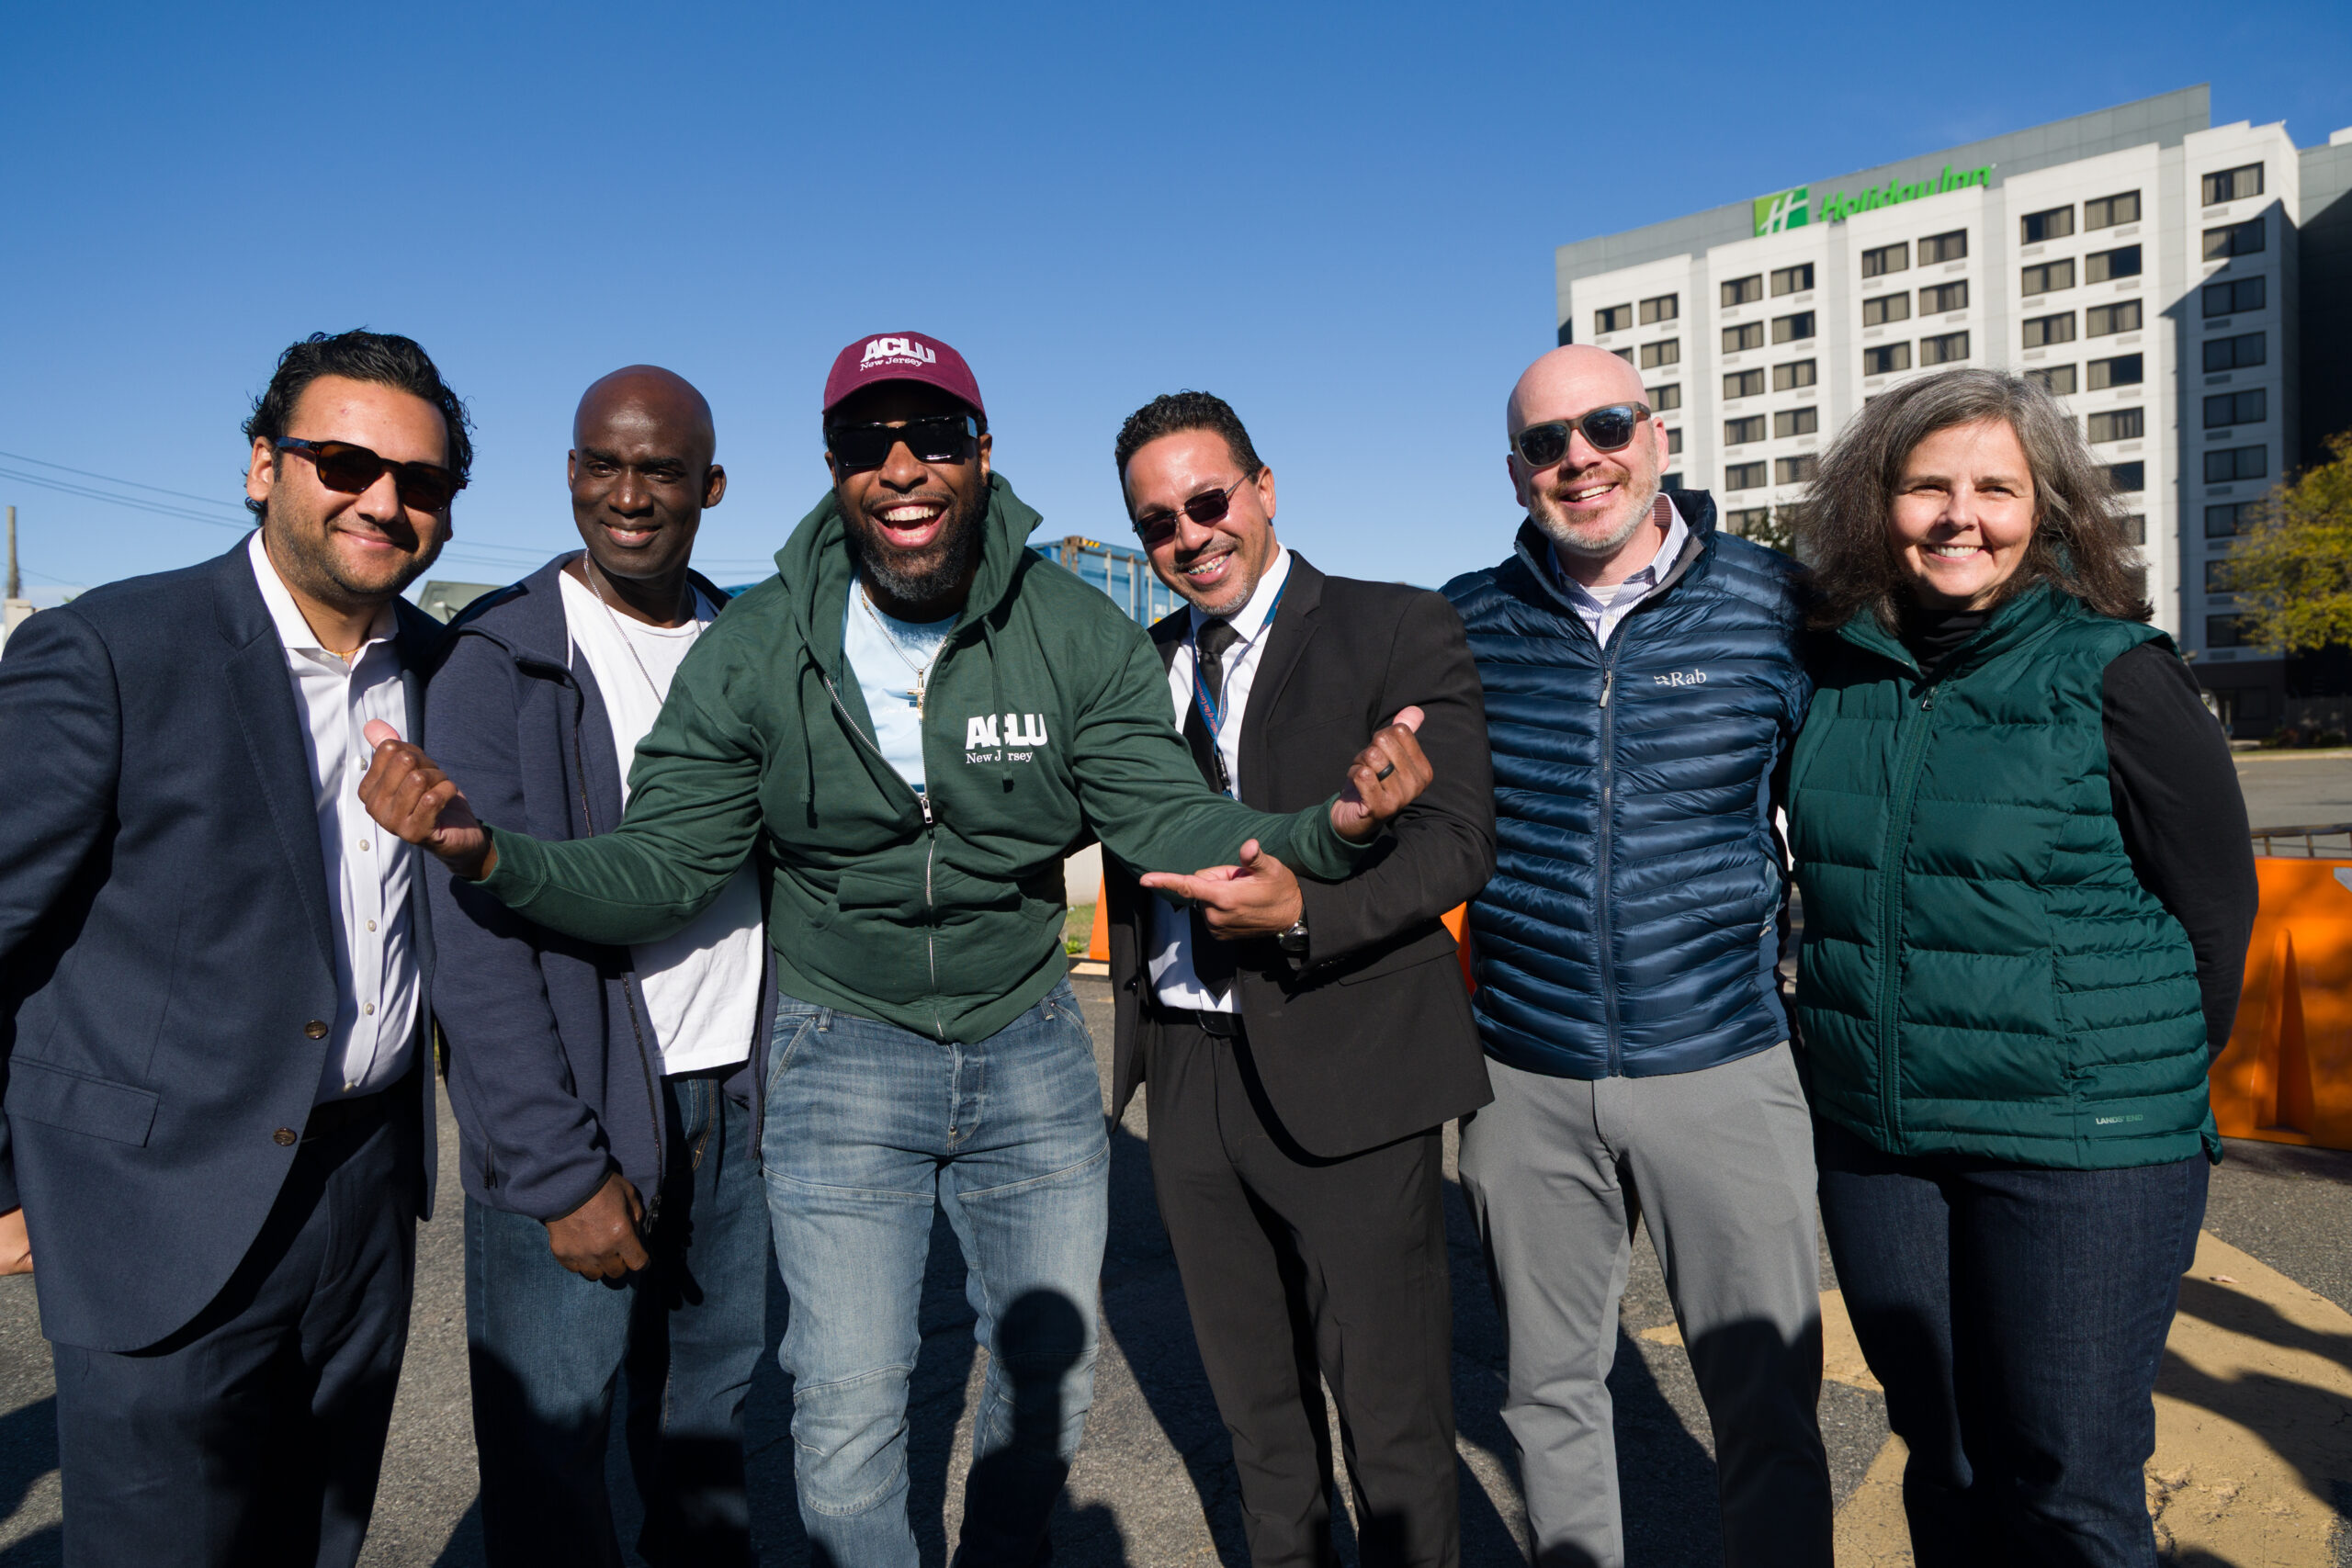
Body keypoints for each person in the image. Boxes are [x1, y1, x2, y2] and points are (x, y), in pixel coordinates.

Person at [356, 332, 1436, 1568]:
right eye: (871, 443)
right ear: (834, 469)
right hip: (839, 1045)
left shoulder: (1073, 633)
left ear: (982, 455)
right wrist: (489, 850)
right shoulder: (756, 647)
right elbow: (658, 866)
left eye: (932, 436)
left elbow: (1166, 815)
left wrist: (1329, 830)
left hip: (1028, 1037)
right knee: (849, 1408)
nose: (904, 466)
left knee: (1051, 1384)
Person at [0, 330, 463, 1566]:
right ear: (264, 464)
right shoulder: (110, 650)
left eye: (420, 480)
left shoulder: (444, 670)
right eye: (344, 459)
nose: (383, 497)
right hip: (158, 1197)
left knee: (318, 1535)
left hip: (364, 1194)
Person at [1785, 367, 2257, 1567]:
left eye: (1996, 487)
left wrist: (2126, 1085)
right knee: (1939, 1459)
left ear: (2043, 510)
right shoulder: (1833, 673)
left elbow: (2215, 905)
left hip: (2081, 1144)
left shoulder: (2116, 672)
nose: (1961, 514)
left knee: (2066, 1478)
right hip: (1884, 1138)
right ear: (1873, 503)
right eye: (1927, 485)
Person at [1442, 344, 1831, 1567]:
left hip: (1721, 1056)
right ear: (1517, 473)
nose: (1580, 458)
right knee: (1547, 1393)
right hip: (1525, 1070)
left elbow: (1861, 803)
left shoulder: (1778, 602)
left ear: (1657, 434)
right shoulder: (1466, 622)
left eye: (1603, 424)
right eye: (1547, 443)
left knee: (1767, 1403)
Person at [1101, 392, 1495, 1568]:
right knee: (1259, 1432)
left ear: (1264, 489)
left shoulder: (1393, 627)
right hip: (1185, 1068)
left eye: (1208, 502)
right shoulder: (1139, 667)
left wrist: (1308, 912)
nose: (1189, 538)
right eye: (1158, 522)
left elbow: (1457, 841)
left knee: (1394, 1429)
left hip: (1349, 1065)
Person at [425, 367, 771, 1566]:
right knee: (554, 1468)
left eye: (661, 470)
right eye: (603, 463)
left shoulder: (751, 648)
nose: (629, 494)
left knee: (709, 1444)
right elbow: (470, 939)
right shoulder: (500, 659)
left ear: (708, 486)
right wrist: (556, 1166)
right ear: (573, 472)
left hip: (738, 1108)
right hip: (584, 1115)